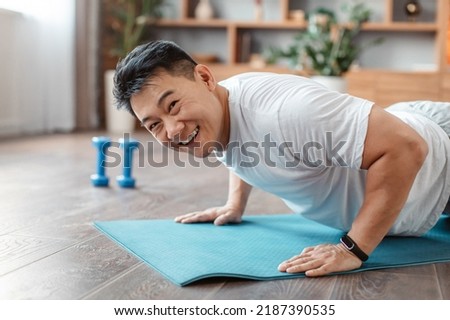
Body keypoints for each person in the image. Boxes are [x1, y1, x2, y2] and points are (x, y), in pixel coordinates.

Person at [113, 40, 450, 277]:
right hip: (404, 129)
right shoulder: (214, 115)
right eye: (154, 124)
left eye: (173, 106)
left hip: (440, 157)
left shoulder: (286, 110)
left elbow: (406, 148)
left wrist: (352, 249)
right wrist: (235, 203)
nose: (171, 130)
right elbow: (242, 143)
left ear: (204, 78)